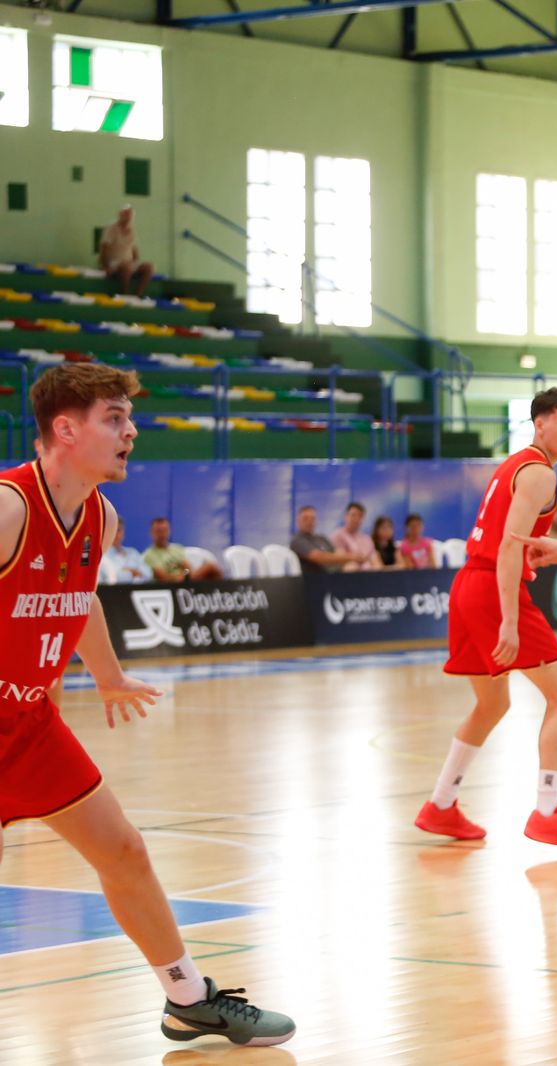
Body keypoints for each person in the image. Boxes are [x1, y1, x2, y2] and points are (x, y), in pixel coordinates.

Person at [0, 362, 294, 1046]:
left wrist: (107, 676)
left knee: (124, 852)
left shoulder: (99, 516)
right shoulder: (10, 508)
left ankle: (189, 999)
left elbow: (81, 602)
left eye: (129, 418)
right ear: (65, 430)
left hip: (29, 723)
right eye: (114, 418)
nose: (132, 431)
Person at [412, 388, 557, 851]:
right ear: (539, 424)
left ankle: (440, 805)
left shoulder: (516, 464)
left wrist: (534, 555)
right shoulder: (539, 473)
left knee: (493, 704)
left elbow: (509, 539)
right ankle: (547, 812)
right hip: (492, 591)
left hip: (469, 586)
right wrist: (511, 621)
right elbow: (509, 546)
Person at [98, 205, 156, 298]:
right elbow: (104, 248)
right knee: (127, 267)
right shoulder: (111, 228)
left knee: (150, 267)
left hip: (129, 262)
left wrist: (137, 262)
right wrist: (105, 266)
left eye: (130, 215)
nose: (128, 217)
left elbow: (134, 249)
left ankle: (138, 294)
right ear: (120, 215)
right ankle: (124, 293)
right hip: (114, 262)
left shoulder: (132, 230)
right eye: (126, 214)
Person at [144, 517, 223, 583]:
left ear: (169, 531)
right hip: (170, 584)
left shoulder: (177, 548)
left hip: (186, 579)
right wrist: (180, 573)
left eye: (165, 530)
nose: (162, 534)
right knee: (208, 567)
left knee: (210, 567)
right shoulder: (149, 555)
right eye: (159, 531)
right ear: (152, 533)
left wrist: (184, 575)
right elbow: (163, 576)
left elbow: (188, 568)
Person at [289, 505, 361, 573]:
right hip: (314, 581)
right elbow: (319, 557)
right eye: (305, 518)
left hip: (335, 575)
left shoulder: (322, 538)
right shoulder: (297, 541)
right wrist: (351, 558)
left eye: (312, 518)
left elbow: (337, 552)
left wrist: (348, 560)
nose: (309, 521)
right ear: (298, 521)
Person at [329, 502, 379, 570]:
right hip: (349, 575)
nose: (356, 519)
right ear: (346, 516)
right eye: (353, 515)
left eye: (360, 516)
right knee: (351, 566)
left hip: (370, 575)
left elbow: (375, 560)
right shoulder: (337, 535)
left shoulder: (367, 539)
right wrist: (356, 558)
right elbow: (340, 558)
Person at [104, 516, 153, 583]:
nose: (115, 533)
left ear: (123, 533)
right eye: (112, 530)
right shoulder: (103, 555)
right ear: (106, 533)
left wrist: (128, 571)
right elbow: (114, 577)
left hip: (137, 591)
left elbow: (148, 574)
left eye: (118, 530)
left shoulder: (133, 552)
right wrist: (133, 572)